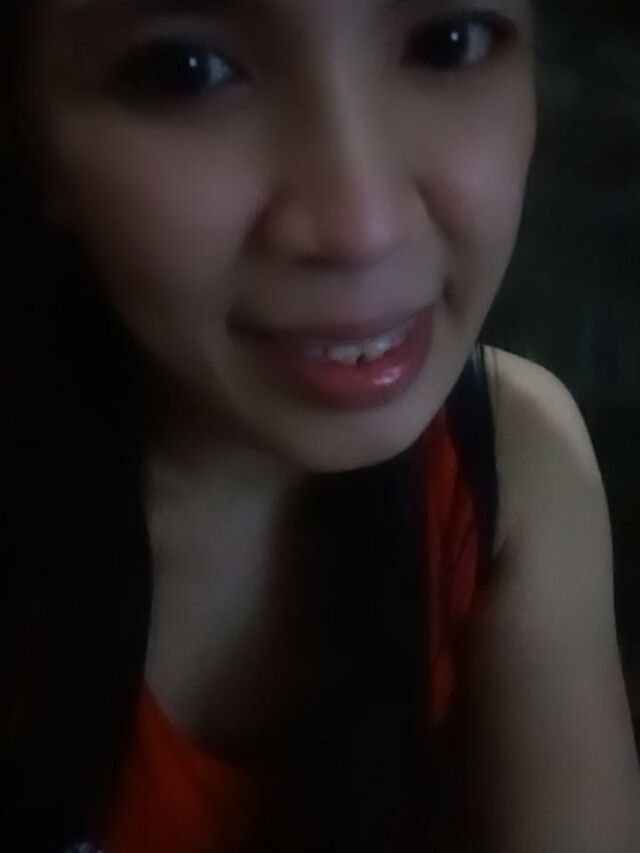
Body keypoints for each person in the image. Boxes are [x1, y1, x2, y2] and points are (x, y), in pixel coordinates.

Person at [1, 0, 639, 851]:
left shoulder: (512, 468)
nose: (363, 228)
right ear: (29, 130)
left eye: (447, 43)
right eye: (185, 72)